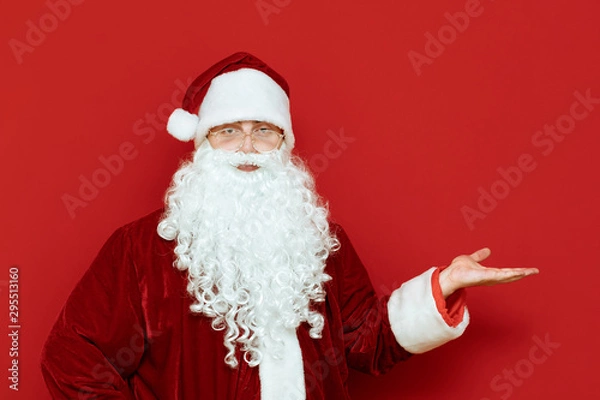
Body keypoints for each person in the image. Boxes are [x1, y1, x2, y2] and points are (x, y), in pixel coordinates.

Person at [40, 52, 539, 400]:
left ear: (284, 143)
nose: (248, 146)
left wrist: (442, 287)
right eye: (229, 131)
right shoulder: (139, 248)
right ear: (203, 143)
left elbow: (364, 343)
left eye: (264, 130)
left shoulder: (322, 241)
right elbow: (72, 355)